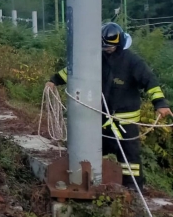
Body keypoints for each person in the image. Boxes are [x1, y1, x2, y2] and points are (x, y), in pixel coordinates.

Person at [46, 22, 173, 189]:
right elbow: (75, 70)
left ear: (119, 43)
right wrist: (54, 81)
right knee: (92, 149)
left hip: (125, 123)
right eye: (105, 46)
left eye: (110, 47)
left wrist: (160, 103)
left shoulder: (132, 62)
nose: (107, 49)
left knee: (130, 158)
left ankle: (133, 189)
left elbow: (151, 82)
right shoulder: (97, 58)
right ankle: (93, 181)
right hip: (102, 119)